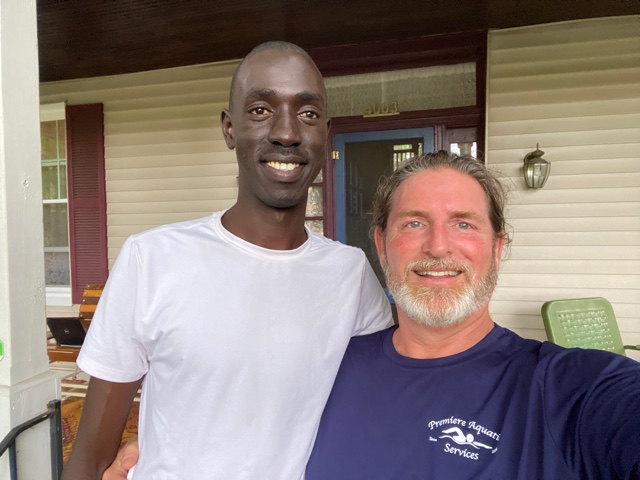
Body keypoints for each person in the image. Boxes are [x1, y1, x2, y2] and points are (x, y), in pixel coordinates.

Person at [62, 41, 391, 480]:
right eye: (260, 110)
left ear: (325, 132)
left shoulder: (352, 276)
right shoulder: (152, 260)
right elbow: (90, 458)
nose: (287, 133)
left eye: (307, 114)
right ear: (229, 128)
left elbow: (375, 420)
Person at [305, 151, 640, 479]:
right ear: (381, 245)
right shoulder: (330, 365)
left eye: (463, 224)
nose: (438, 247)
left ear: (496, 249)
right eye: (414, 223)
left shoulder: (567, 390)